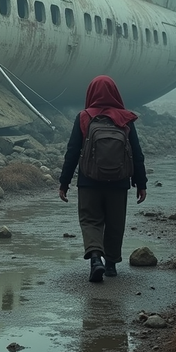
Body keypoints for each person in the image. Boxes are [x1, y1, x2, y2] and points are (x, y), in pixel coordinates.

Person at [58, 75, 147, 283]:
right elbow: (136, 153)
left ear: (90, 93)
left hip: (89, 181)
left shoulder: (84, 117)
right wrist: (141, 184)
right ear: (115, 93)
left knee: (90, 220)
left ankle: (95, 259)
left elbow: (72, 152)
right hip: (119, 182)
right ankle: (111, 265)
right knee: (115, 222)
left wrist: (64, 182)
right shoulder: (125, 118)